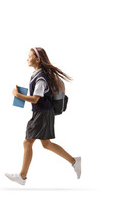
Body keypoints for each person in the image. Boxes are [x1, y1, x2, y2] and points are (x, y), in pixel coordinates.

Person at [5, 47, 81, 185]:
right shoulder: (37, 74)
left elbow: (35, 99)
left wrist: (17, 95)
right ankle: (74, 161)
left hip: (42, 114)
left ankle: (22, 176)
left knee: (27, 142)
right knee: (46, 144)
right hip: (43, 113)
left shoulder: (41, 78)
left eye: (29, 56)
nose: (27, 59)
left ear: (38, 59)